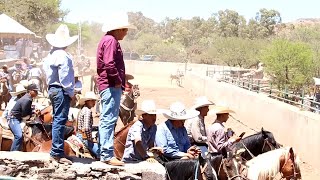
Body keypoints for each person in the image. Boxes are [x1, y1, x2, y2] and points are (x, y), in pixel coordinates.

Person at [97, 12, 136, 166]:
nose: (126, 33)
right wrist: (118, 81)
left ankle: (104, 151)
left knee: (107, 118)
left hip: (108, 84)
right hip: (111, 85)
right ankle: (107, 154)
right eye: (124, 30)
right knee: (109, 118)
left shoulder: (107, 40)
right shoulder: (111, 41)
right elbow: (109, 63)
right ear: (118, 29)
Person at [43, 24, 78, 165]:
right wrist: (70, 92)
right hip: (61, 89)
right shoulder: (64, 56)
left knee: (57, 119)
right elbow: (65, 76)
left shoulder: (50, 55)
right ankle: (57, 152)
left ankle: (56, 151)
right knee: (60, 120)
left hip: (52, 88)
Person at [8, 84, 39, 151]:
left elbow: (26, 111)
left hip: (18, 118)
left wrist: (32, 112)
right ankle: (12, 153)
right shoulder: (27, 99)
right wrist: (32, 114)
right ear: (30, 91)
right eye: (35, 91)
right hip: (14, 119)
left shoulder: (28, 98)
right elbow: (24, 114)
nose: (37, 93)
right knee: (19, 136)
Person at [76, 91, 100, 159]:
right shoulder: (87, 111)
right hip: (84, 138)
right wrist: (91, 139)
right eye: (92, 101)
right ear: (88, 101)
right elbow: (86, 128)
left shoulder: (83, 109)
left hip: (79, 134)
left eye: (94, 101)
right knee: (100, 152)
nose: (94, 103)